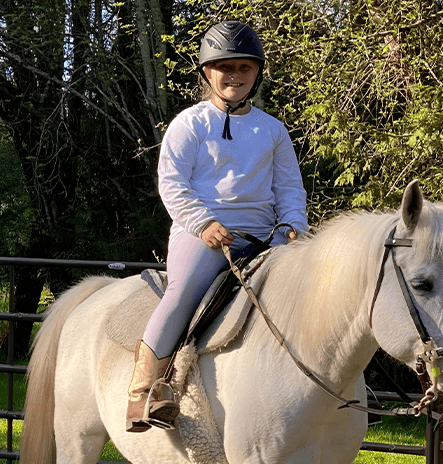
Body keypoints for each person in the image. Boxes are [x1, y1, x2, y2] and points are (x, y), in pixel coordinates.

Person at [126, 20, 309, 433]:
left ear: (256, 73)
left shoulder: (273, 130)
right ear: (207, 73)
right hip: (203, 234)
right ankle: (143, 393)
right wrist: (203, 222)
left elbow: (289, 189)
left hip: (267, 235)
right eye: (224, 67)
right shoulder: (189, 124)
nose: (235, 76)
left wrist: (294, 225)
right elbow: (172, 185)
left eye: (244, 68)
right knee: (183, 292)